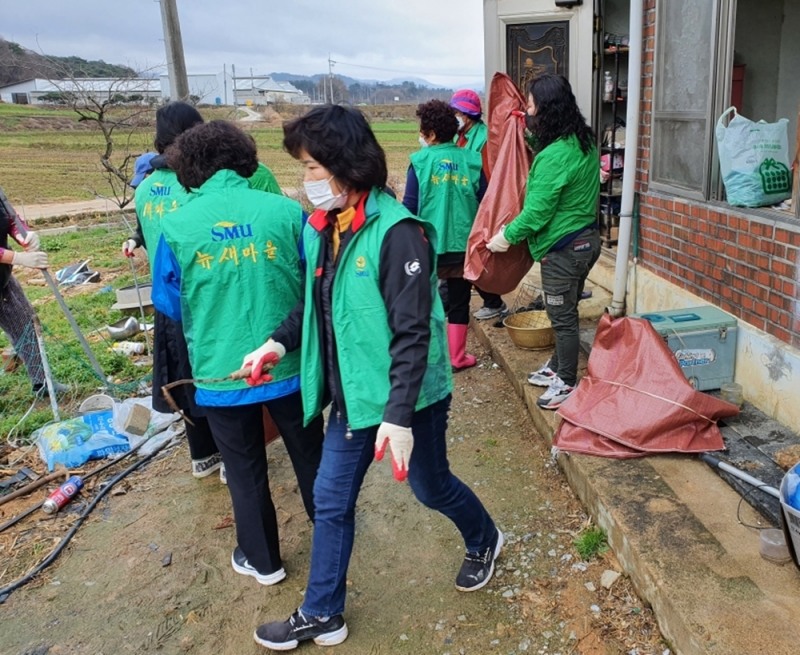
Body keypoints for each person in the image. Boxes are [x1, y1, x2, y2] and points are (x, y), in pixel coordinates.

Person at [243, 104, 502, 651]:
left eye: (313, 167)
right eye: (304, 168)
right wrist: (276, 342)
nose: (305, 180)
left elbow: (413, 336)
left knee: (432, 489)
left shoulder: (398, 234)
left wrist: (399, 417)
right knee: (332, 500)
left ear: (345, 166)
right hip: (353, 397)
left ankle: (484, 537)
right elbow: (316, 303)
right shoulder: (324, 227)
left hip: (410, 399)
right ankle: (322, 613)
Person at [152, 119, 324, 587]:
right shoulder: (287, 213)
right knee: (310, 453)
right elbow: (315, 282)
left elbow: (167, 301)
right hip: (288, 362)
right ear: (244, 160)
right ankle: (330, 537)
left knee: (244, 469)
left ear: (188, 168)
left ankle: (263, 560)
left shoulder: (176, 225)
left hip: (220, 370)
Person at [122, 102, 226, 480]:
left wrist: (135, 239)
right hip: (202, 297)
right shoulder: (192, 185)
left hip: (165, 302)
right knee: (212, 373)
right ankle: (232, 456)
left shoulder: (146, 186)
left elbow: (144, 230)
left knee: (182, 376)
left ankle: (202, 455)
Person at [486, 74, 601, 410]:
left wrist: (504, 238)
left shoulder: (554, 157)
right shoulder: (583, 141)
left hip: (563, 249)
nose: (528, 110)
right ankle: (556, 367)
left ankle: (566, 382)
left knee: (561, 316)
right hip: (586, 240)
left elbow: (536, 213)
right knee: (566, 308)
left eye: (532, 105)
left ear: (548, 109)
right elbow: (555, 159)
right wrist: (520, 133)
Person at [403, 99, 486, 370]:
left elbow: (409, 207)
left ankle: (425, 356)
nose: (421, 137)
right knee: (460, 300)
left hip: (427, 245)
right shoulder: (473, 160)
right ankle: (457, 357)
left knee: (424, 300)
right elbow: (484, 201)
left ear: (432, 134)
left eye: (422, 131)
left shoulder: (420, 161)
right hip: (463, 245)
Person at [0, 187, 67, 396]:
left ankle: (42, 383)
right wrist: (17, 258)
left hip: (2, 279)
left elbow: (11, 219)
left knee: (25, 324)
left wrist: (24, 235)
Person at [449, 89, 506, 321]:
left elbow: (488, 174)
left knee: (474, 256)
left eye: (456, 112)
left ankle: (493, 301)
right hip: (463, 203)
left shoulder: (483, 138)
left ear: (467, 114)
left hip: (478, 203)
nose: (454, 116)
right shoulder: (458, 136)